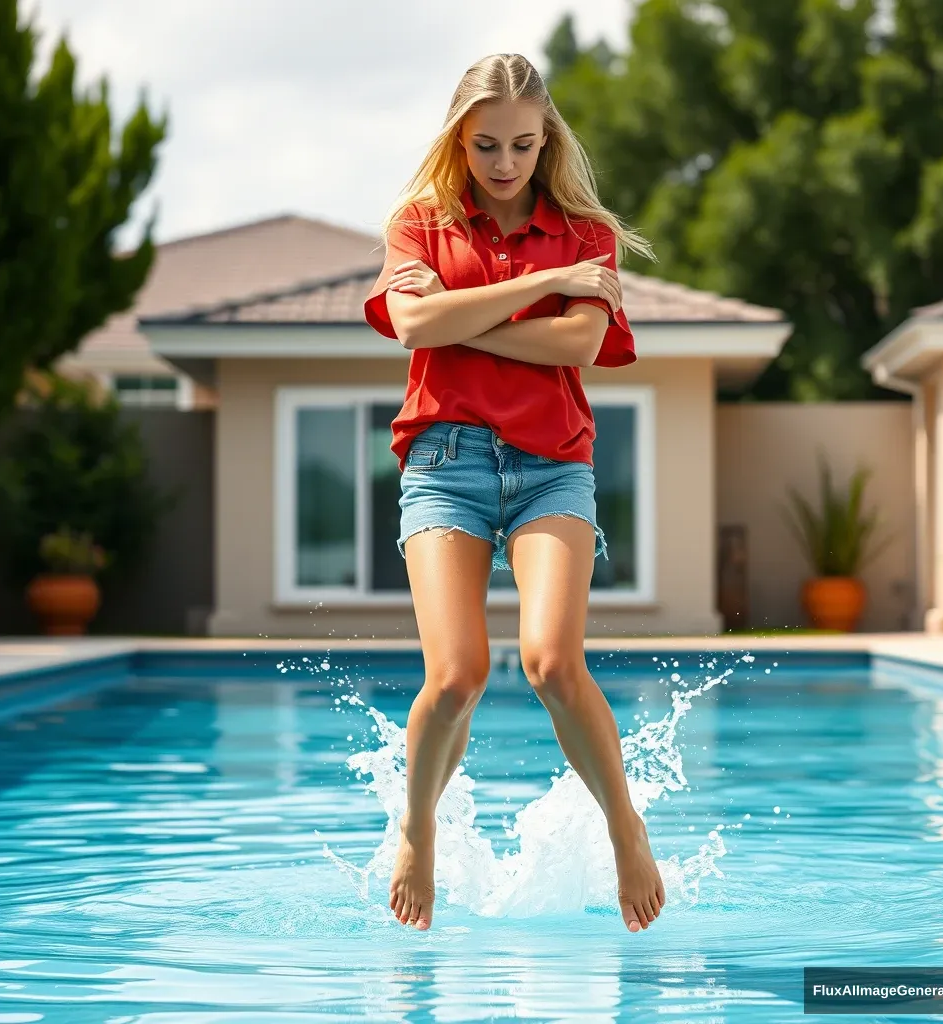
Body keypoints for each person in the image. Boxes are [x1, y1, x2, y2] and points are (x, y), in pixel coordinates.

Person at [363, 52, 665, 934]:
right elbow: (414, 325)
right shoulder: (418, 221)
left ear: (548, 141)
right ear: (461, 137)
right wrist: (541, 287)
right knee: (455, 677)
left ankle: (626, 831)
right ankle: (416, 831)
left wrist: (469, 314)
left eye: (523, 146)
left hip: (551, 465)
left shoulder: (588, 234)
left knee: (551, 664)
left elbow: (574, 349)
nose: (504, 163)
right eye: (488, 144)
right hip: (444, 463)